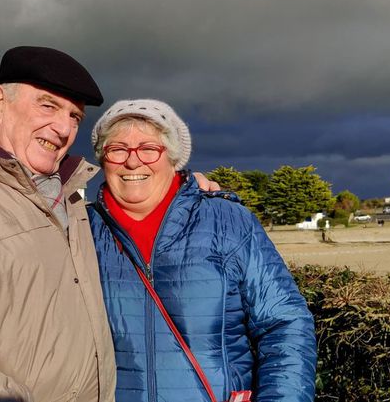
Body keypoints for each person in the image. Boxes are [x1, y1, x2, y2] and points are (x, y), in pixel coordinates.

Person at [0, 47, 219, 401]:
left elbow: (141, 206)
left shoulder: (73, 202)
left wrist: (186, 191)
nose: (63, 127)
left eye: (74, 116)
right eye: (47, 105)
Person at [86, 99, 317, 402]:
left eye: (149, 149)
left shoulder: (228, 222)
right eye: (117, 150)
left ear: (174, 158)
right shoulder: (79, 230)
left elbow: (285, 324)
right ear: (102, 160)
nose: (133, 162)